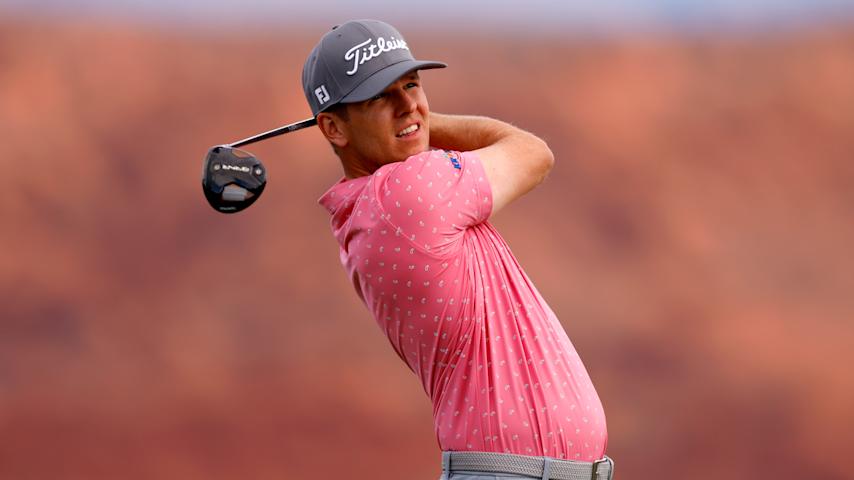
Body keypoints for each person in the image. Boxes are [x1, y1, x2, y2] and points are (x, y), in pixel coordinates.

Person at [303, 19, 614, 480]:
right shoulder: (404, 192)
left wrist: (407, 123)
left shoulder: (375, 205)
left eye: (412, 85)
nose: (408, 103)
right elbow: (532, 152)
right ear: (333, 127)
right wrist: (422, 125)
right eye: (380, 96)